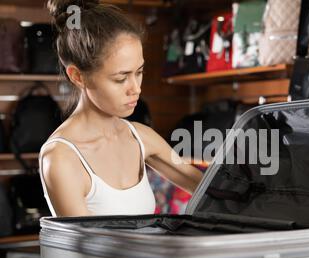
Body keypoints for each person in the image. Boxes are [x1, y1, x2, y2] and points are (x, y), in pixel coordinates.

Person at [39, 0, 203, 218]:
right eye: (121, 78)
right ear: (78, 76)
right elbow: (87, 248)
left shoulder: (141, 137)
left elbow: (211, 190)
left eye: (139, 72)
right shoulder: (61, 158)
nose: (136, 88)